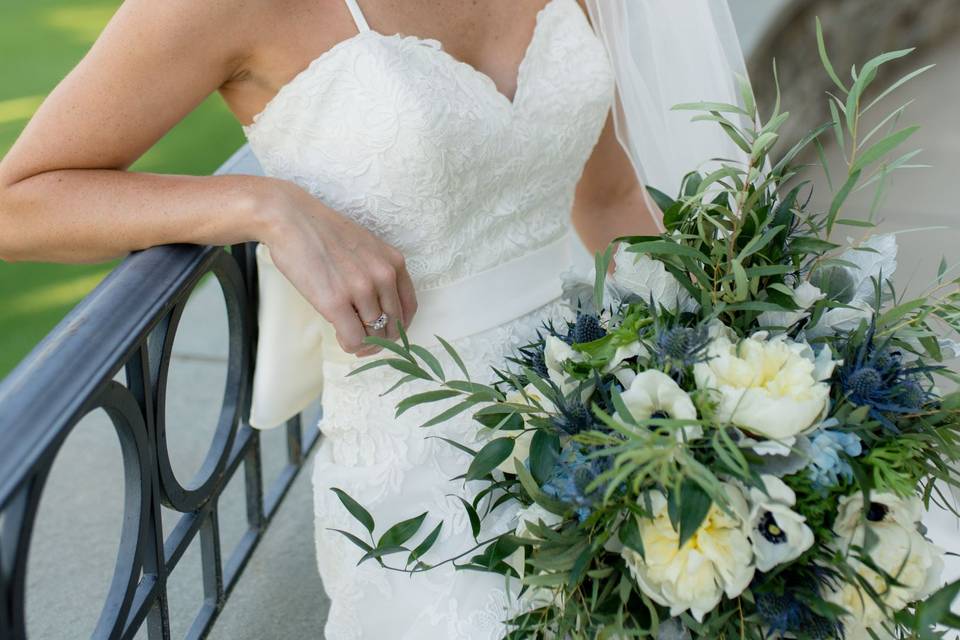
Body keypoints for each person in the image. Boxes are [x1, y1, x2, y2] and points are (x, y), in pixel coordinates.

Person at [0, 0, 673, 637]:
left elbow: (611, 198)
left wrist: (712, 366)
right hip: (423, 473)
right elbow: (19, 203)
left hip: (615, 411)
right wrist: (261, 205)